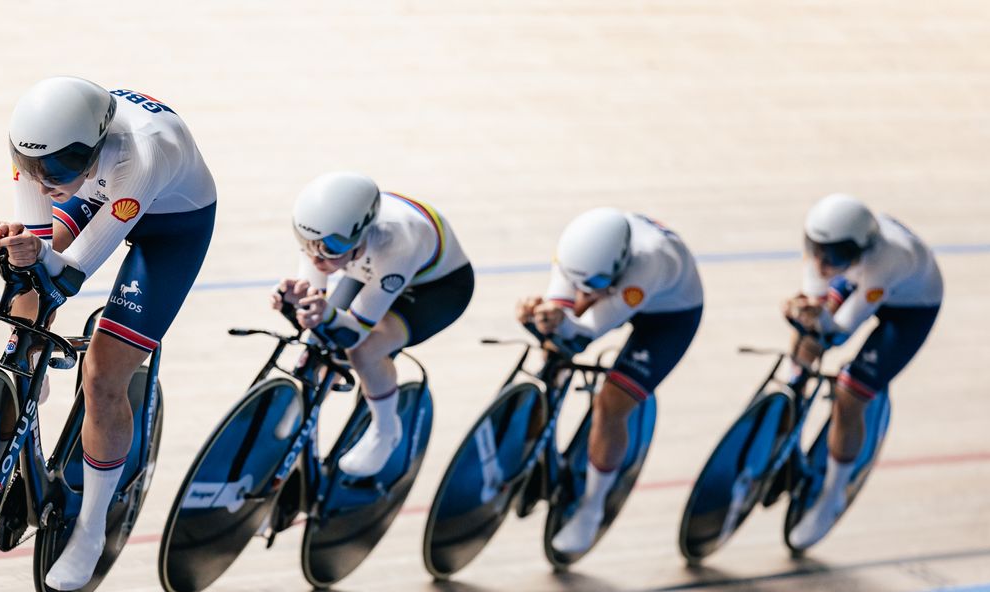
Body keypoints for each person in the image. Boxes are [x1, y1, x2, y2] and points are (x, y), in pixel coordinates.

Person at [0, 76, 216, 591]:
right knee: (26, 293)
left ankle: (91, 525)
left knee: (103, 377)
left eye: (56, 168)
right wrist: (8, 242)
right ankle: (26, 371)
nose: (41, 182)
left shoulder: (141, 155)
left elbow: (69, 275)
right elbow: (37, 245)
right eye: (30, 167)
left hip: (170, 228)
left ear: (98, 143)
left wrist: (40, 259)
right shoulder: (45, 156)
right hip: (96, 192)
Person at [520, 208, 703, 554]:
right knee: (551, 355)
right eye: (579, 283)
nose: (585, 292)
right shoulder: (576, 253)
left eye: (597, 286)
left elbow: (585, 331)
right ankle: (542, 450)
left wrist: (562, 321)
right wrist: (540, 315)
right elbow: (563, 314)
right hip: (614, 283)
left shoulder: (651, 263)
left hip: (668, 318)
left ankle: (592, 506)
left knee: (612, 403)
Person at [274, 173, 474, 476]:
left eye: (329, 247)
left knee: (364, 352)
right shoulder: (329, 232)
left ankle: (386, 431)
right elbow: (314, 297)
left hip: (436, 289)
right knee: (318, 342)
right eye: (306, 242)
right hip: (370, 269)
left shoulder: (399, 241)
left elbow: (354, 333)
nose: (316, 259)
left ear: (362, 235)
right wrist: (296, 301)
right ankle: (304, 411)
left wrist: (324, 314)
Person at [784, 193, 942, 549]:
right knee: (807, 339)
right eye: (816, 250)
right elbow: (816, 305)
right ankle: (789, 401)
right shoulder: (828, 250)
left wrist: (816, 320)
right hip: (863, 279)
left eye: (835, 256)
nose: (823, 264)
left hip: (910, 310)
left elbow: (840, 326)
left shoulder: (886, 262)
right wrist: (803, 312)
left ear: (859, 249)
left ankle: (833, 496)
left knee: (850, 395)